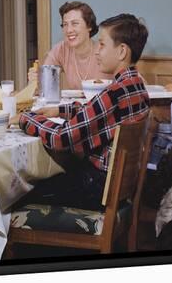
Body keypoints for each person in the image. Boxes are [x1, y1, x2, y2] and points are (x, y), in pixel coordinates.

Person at [13, 14, 150, 210]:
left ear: (121, 51)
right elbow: (96, 112)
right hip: (114, 187)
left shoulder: (113, 93)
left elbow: (61, 138)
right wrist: (60, 110)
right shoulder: (135, 86)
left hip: (97, 187)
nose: (97, 52)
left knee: (19, 192)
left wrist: (26, 118)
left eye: (102, 45)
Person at [30, 1, 113, 90]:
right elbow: (44, 87)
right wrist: (35, 81)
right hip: (77, 104)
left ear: (89, 26)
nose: (69, 30)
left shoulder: (104, 51)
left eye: (75, 23)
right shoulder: (61, 49)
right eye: (65, 24)